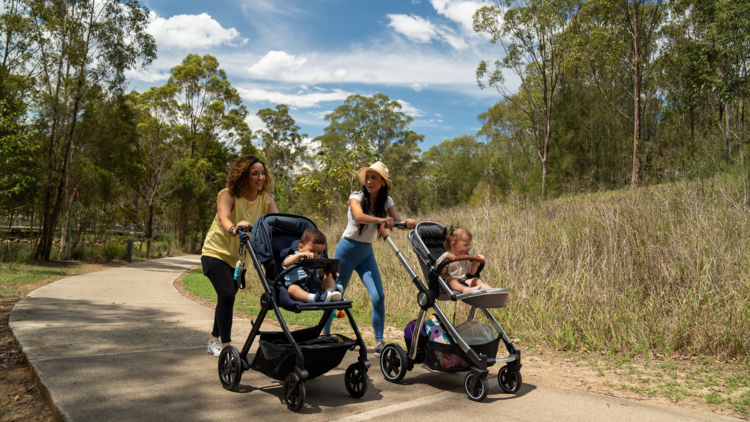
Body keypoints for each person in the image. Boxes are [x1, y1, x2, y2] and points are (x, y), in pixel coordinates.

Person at [322, 161, 416, 357]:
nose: (369, 181)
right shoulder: (355, 196)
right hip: (346, 251)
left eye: (374, 178)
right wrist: (382, 220)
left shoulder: (386, 201)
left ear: (383, 182)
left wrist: (406, 223)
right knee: (334, 296)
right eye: (368, 177)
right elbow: (359, 216)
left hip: (366, 254)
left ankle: (379, 342)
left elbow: (395, 221)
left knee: (378, 296)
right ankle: (324, 334)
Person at [201, 155, 279, 357]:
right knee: (227, 295)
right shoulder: (228, 194)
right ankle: (227, 349)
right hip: (215, 253)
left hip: (238, 260)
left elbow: (277, 223)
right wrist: (234, 228)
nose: (260, 177)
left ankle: (213, 341)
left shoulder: (266, 200)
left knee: (226, 298)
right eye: (255, 174)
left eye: (262, 173)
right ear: (243, 176)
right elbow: (223, 216)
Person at [281, 229, 343, 303]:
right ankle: (313, 298)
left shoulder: (318, 260)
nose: (316, 255)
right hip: (299, 289)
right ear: (300, 247)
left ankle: (330, 294)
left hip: (315, 288)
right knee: (292, 288)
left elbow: (319, 274)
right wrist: (300, 255)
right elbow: (285, 263)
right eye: (312, 251)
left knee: (329, 279)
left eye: (319, 253)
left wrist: (327, 269)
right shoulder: (295, 257)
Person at [437, 227, 490, 293]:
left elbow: (471, 272)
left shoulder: (464, 258)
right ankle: (466, 290)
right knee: (451, 280)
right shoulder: (446, 256)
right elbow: (440, 272)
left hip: (464, 282)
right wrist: (445, 260)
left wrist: (476, 261)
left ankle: (490, 290)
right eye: (466, 245)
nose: (469, 248)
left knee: (476, 280)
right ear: (453, 245)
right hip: (448, 283)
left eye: (469, 245)